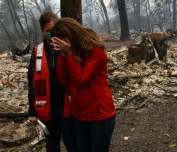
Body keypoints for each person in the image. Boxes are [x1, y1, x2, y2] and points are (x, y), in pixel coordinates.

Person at [51, 18, 116, 152]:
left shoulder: (95, 50)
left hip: (99, 113)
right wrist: (63, 55)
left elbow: (81, 80)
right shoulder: (69, 53)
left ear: (70, 36)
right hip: (80, 113)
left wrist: (69, 53)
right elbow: (64, 80)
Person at [27, 12, 76, 152]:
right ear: (42, 30)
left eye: (54, 30)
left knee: (72, 143)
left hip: (68, 106)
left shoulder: (67, 46)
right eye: (48, 31)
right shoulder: (38, 51)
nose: (52, 34)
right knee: (52, 145)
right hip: (47, 110)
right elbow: (32, 82)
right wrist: (32, 110)